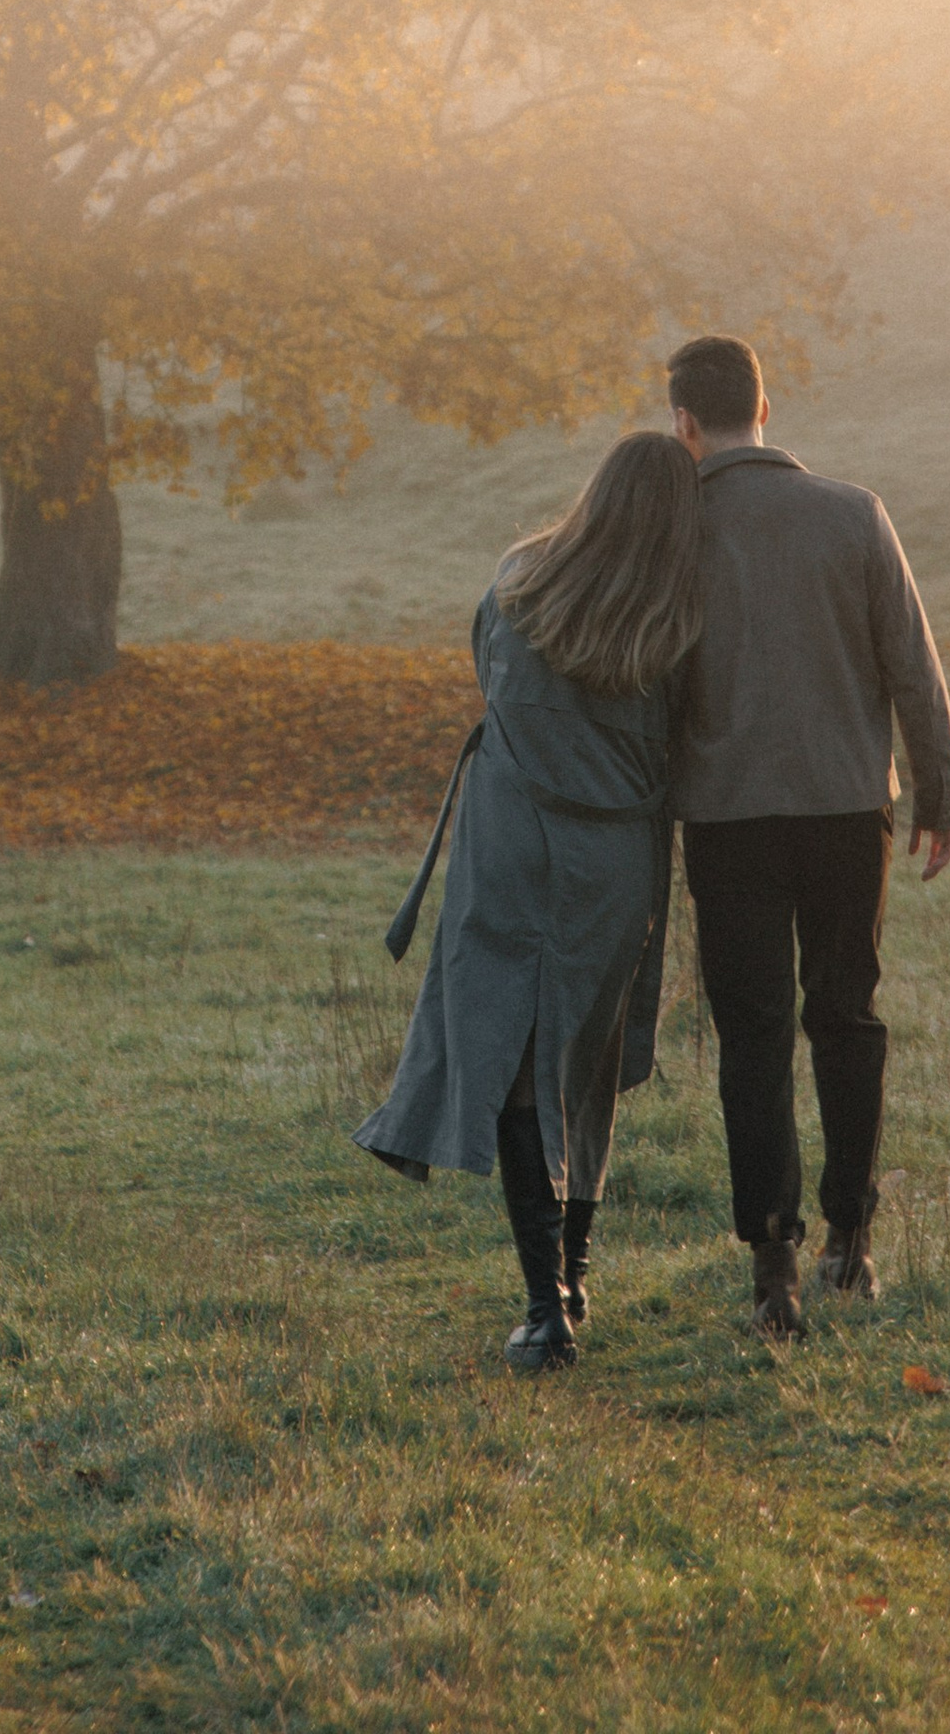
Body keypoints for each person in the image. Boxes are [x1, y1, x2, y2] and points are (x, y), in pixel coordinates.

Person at [355, 430, 701, 1371]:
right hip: (612, 860)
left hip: (508, 842)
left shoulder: (519, 581)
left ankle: (546, 1306)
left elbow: (490, 681)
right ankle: (572, 1274)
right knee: (581, 1060)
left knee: (513, 1057)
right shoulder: (676, 621)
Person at [668, 331, 950, 1341]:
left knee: (752, 1037)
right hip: (847, 810)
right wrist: (939, 795)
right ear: (765, 410)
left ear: (684, 424)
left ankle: (771, 1272)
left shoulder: (676, 524)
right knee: (846, 1015)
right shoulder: (853, 513)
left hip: (728, 817)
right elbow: (913, 670)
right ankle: (853, 1243)